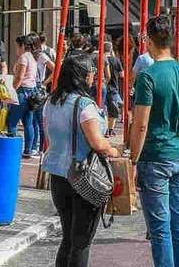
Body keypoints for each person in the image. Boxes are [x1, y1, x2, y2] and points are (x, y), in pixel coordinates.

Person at [42, 53, 122, 266]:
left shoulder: (51, 102)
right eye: (91, 72)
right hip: (83, 177)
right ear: (83, 76)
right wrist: (114, 150)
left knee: (67, 237)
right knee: (81, 241)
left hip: (58, 175)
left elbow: (49, 135)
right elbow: (98, 143)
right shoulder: (84, 105)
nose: (94, 76)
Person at [129, 15, 179, 267]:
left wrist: (133, 159)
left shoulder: (148, 76)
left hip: (155, 154)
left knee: (159, 226)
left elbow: (141, 123)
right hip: (178, 151)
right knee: (176, 219)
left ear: (149, 40)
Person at [9, 35, 45, 158]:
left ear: (23, 46)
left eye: (17, 46)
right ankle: (28, 150)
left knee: (12, 122)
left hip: (22, 91)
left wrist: (12, 89)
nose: (16, 49)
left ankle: (13, 149)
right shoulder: (33, 57)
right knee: (28, 122)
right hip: (31, 92)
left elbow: (20, 77)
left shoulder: (24, 58)